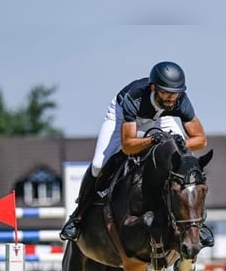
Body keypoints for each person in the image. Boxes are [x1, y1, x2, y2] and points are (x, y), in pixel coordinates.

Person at [59, 61, 212, 246]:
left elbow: (200, 140)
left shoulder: (179, 100)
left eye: (175, 93)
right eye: (166, 92)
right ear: (154, 88)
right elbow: (128, 146)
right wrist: (151, 141)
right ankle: (78, 216)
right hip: (122, 116)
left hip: (161, 118)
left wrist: (172, 146)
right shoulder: (134, 98)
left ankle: (197, 224)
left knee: (184, 160)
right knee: (99, 164)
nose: (172, 98)